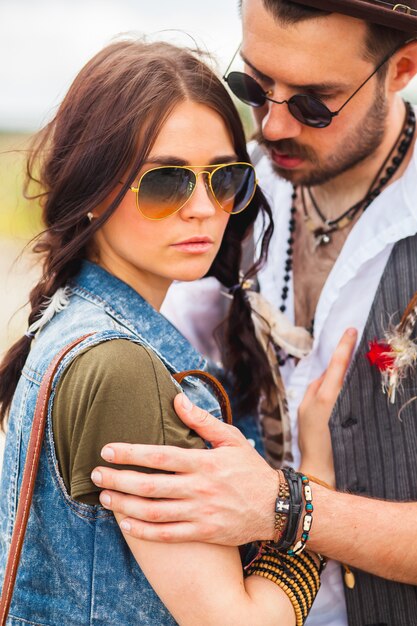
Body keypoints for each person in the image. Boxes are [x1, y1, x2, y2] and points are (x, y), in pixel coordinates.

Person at [0, 37, 356, 626]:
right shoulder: (119, 367)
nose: (203, 208)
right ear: (93, 190)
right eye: (166, 181)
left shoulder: (70, 320)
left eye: (224, 178)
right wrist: (308, 482)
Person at [90, 3, 417, 626]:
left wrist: (286, 506)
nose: (271, 126)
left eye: (316, 103)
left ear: (401, 68)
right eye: (255, 88)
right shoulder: (226, 188)